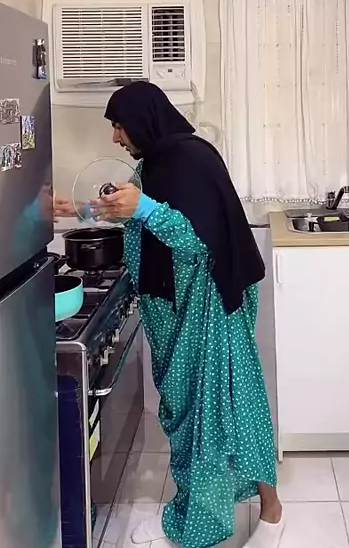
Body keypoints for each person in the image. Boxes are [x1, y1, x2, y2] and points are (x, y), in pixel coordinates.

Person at [55, 82, 284, 548]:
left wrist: (145, 208)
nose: (116, 137)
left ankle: (205, 523)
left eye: (119, 126)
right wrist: (82, 208)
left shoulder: (190, 160)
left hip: (206, 306)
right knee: (220, 407)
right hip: (178, 307)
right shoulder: (155, 163)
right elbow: (136, 213)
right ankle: (263, 506)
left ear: (143, 121)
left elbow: (198, 240)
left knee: (212, 412)